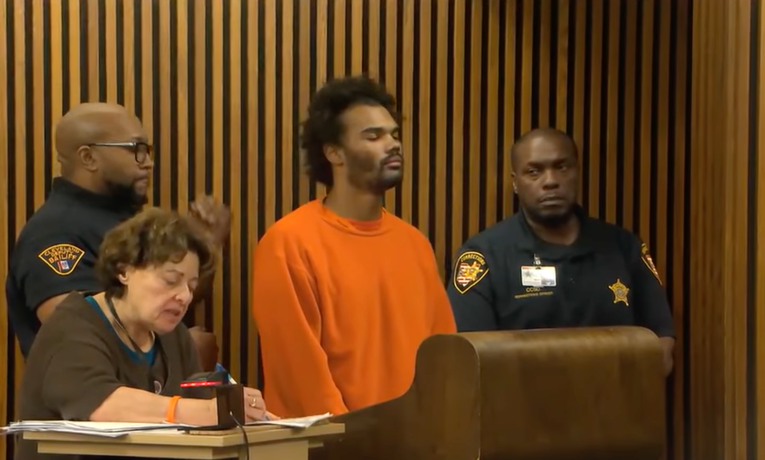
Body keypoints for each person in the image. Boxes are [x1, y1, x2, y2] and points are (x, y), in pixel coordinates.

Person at [251, 76, 456, 418]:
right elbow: (303, 382)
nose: (393, 144)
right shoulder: (289, 243)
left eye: (394, 134)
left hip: (416, 458)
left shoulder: (415, 244)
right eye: (373, 136)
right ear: (334, 152)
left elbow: (444, 357)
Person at [11, 208, 271, 460]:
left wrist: (239, 406)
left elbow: (197, 395)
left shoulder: (174, 335)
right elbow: (104, 406)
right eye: (171, 280)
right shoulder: (72, 327)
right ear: (124, 269)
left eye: (191, 286)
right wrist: (210, 413)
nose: (184, 296)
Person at [5, 102, 229, 366]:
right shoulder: (55, 231)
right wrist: (182, 350)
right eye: (136, 150)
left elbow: (174, 297)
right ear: (88, 158)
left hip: (144, 397)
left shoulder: (130, 221)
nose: (148, 163)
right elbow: (75, 332)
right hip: (86, 403)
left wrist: (206, 245)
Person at [447, 128, 675, 375]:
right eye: (534, 172)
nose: (550, 181)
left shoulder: (623, 246)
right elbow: (470, 358)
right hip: (520, 410)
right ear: (515, 183)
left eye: (561, 167)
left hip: (614, 407)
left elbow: (661, 345)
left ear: (577, 172)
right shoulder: (484, 257)